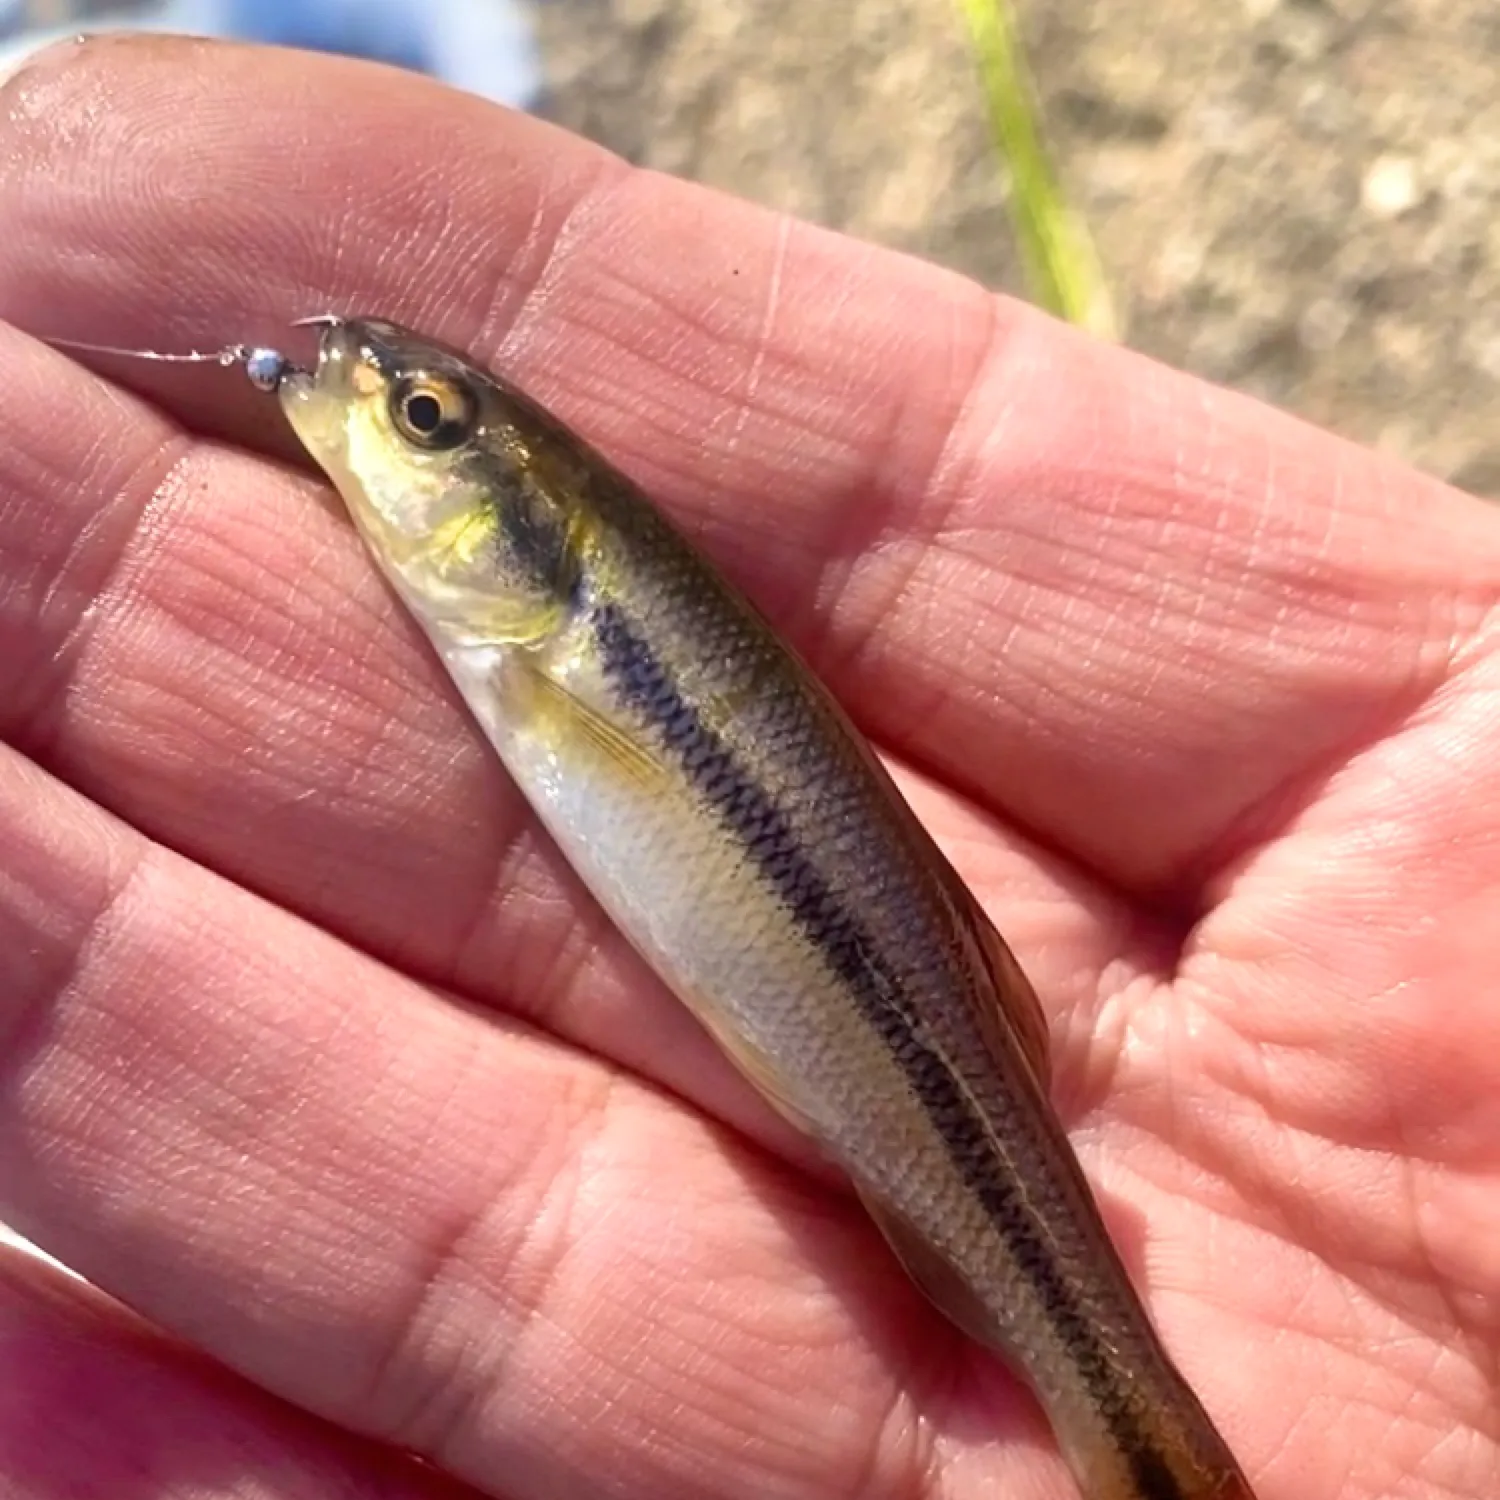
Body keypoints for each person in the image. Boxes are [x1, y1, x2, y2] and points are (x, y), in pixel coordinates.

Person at [0, 33, 1494, 1500]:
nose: (363, 394)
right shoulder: (531, 635)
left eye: (425, 420)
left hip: (872, 1017)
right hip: (867, 998)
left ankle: (1135, 1434)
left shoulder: (556, 639)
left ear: (530, 535)